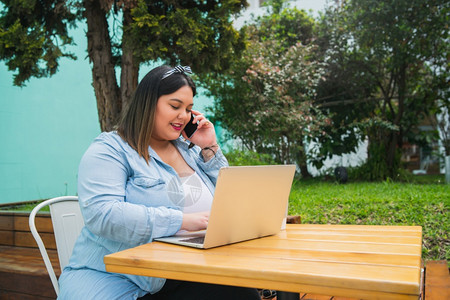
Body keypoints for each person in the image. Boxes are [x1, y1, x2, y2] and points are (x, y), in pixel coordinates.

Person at [57, 65, 261, 299]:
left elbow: (231, 201)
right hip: (115, 278)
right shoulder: (110, 150)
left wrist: (209, 147)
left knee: (243, 294)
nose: (183, 116)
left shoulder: (190, 150)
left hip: (178, 273)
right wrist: (182, 221)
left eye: (188, 109)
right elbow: (102, 214)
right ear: (147, 103)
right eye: (175, 106)